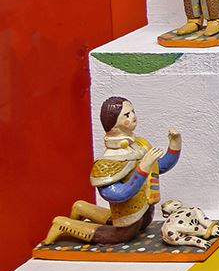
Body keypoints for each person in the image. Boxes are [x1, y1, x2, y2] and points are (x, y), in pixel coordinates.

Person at [43, 98, 180, 246]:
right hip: (127, 211)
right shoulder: (109, 160)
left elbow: (160, 166)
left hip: (144, 207)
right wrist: (143, 169)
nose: (133, 116)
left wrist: (175, 143)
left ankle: (82, 208)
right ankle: (64, 224)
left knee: (142, 224)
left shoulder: (140, 145)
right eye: (126, 115)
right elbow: (115, 194)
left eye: (132, 112)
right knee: (122, 235)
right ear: (113, 123)